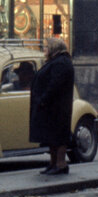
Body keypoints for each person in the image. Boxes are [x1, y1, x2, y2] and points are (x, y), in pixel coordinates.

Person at [29, 37, 75, 175]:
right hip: (51, 107)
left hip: (57, 108)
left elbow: (54, 84)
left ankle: (60, 164)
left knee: (58, 136)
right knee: (51, 136)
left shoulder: (61, 63)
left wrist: (43, 99)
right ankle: (53, 163)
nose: (44, 50)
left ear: (54, 49)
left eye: (47, 47)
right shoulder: (56, 62)